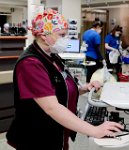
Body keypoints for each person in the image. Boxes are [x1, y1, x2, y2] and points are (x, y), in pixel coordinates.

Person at [6, 9, 123, 150]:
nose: (66, 39)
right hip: (36, 137)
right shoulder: (30, 63)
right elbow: (52, 107)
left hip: (56, 130)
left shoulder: (52, 57)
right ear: (44, 35)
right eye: (62, 35)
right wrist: (95, 130)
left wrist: (84, 88)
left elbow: (60, 88)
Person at [82, 19, 104, 83]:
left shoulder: (85, 33)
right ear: (97, 27)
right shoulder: (96, 35)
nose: (101, 30)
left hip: (85, 55)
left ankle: (87, 85)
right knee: (93, 73)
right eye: (101, 28)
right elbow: (97, 48)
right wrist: (101, 58)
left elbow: (84, 44)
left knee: (88, 72)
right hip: (93, 56)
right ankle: (92, 87)